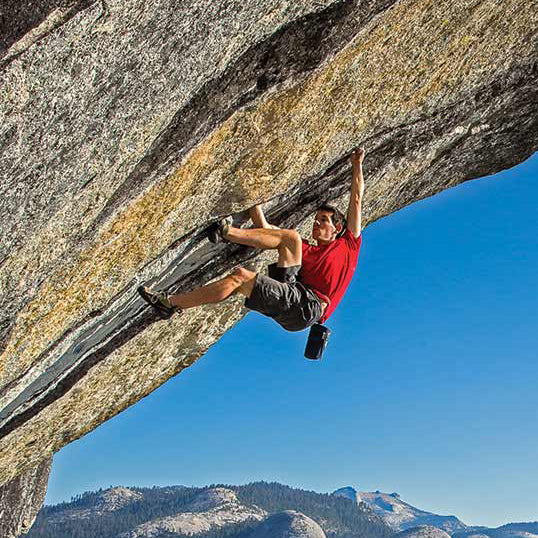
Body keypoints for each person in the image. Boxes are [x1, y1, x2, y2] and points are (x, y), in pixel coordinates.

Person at [138, 147, 365, 331]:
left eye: (323, 220)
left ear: (337, 228)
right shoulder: (305, 249)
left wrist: (357, 164)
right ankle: (225, 234)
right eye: (316, 219)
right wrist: (252, 198)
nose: (316, 224)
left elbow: (356, 200)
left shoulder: (349, 245)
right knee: (290, 239)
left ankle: (173, 301)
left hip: (307, 308)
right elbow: (265, 230)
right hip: (294, 291)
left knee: (240, 278)